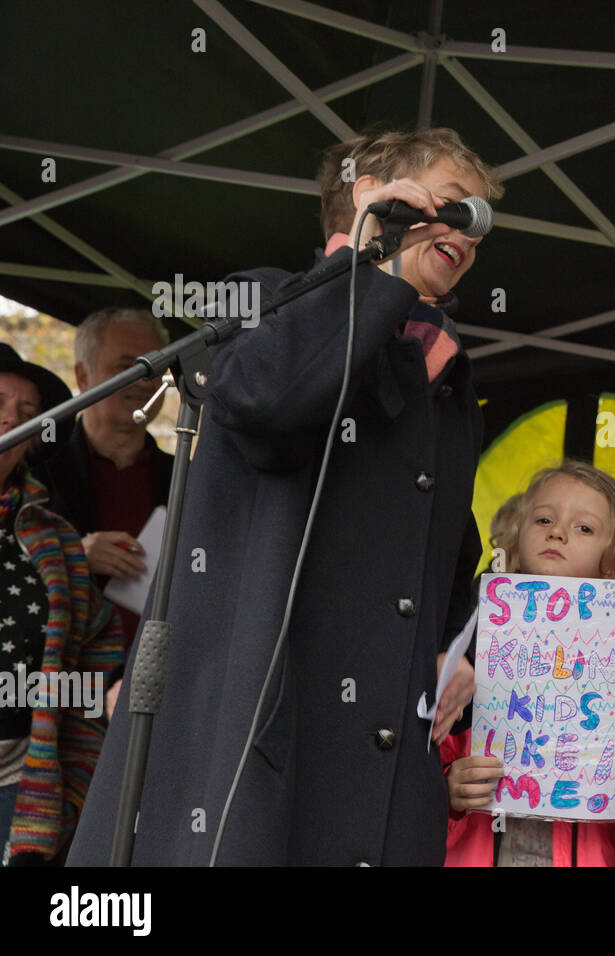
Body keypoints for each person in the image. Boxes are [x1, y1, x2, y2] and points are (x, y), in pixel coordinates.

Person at [68, 127, 502, 866]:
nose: (469, 229)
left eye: (480, 216)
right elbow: (270, 403)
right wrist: (374, 264)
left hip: (383, 752)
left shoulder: (447, 369)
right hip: (259, 729)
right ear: (372, 197)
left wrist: (454, 649)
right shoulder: (273, 299)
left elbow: (449, 544)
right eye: (450, 205)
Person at [441, 461, 615, 866]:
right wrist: (447, 794)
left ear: (613, 561)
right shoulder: (470, 660)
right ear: (516, 537)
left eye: (584, 528)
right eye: (543, 518)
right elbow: (417, 772)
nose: (556, 531)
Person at [0, 345, 123, 865]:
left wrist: (72, 779)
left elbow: (96, 657)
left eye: (28, 415)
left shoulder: (54, 537)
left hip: (18, 787)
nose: (12, 417)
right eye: (0, 401)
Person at [35, 308, 174, 712]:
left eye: (155, 368)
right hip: (59, 703)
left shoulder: (190, 478)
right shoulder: (37, 473)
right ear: (82, 376)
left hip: (158, 699)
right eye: (126, 367)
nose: (144, 380)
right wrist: (72, 556)